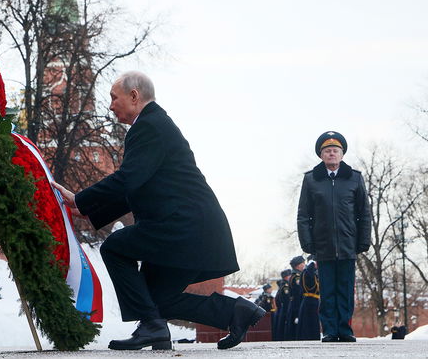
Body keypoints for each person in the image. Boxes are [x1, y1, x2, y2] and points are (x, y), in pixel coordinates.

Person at [54, 71, 264, 351]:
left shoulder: (150, 126)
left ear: (134, 96)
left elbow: (128, 178)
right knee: (156, 299)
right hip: (187, 225)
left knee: (115, 247)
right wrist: (90, 212)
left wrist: (81, 199)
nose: (110, 105)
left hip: (185, 226)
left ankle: (152, 326)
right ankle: (232, 313)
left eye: (114, 97)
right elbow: (138, 185)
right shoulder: (153, 124)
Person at [297, 131, 372, 343]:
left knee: (345, 290)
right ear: (321, 155)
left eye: (335, 151)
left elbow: (363, 213)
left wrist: (363, 240)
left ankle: (345, 329)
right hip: (323, 245)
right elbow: (303, 215)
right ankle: (329, 330)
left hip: (348, 244)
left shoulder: (354, 178)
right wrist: (307, 242)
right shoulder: (311, 180)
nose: (331, 154)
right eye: (327, 151)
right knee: (327, 291)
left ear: (342, 154)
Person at [296, 255, 321, 340]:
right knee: (307, 321)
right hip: (309, 299)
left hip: (315, 299)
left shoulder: (314, 271)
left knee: (314, 321)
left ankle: (313, 336)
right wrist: (311, 266)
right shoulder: (307, 271)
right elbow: (308, 286)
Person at [284, 255, 305, 341]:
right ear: (298, 265)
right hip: (296, 305)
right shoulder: (296, 277)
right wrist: (297, 313)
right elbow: (297, 294)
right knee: (295, 326)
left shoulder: (298, 275)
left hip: (296, 303)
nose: (304, 265)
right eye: (303, 263)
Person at [273, 269, 292, 341]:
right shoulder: (285, 286)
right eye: (289, 276)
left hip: (282, 309)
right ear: (286, 277)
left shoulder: (282, 285)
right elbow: (287, 300)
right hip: (285, 309)